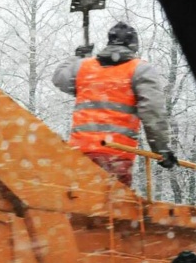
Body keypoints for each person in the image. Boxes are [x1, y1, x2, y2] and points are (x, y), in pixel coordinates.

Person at [52, 21, 177, 185]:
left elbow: (59, 78)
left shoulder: (84, 66)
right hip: (116, 157)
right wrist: (161, 149)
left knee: (80, 205)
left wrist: (77, 57)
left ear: (109, 42)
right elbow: (152, 113)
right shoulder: (140, 70)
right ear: (134, 45)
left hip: (80, 154)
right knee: (113, 207)